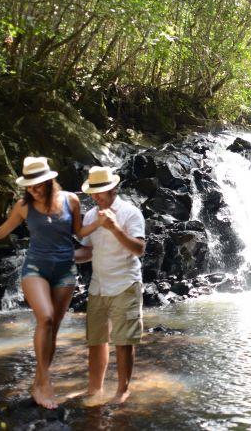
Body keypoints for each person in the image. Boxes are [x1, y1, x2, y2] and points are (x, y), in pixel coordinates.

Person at [0, 156, 93, 409]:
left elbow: (79, 232)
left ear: (49, 181)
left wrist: (105, 236)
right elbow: (1, 232)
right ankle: (44, 382)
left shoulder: (71, 200)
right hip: (35, 268)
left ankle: (38, 380)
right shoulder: (23, 206)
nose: (33, 189)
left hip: (65, 271)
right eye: (29, 185)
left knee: (53, 328)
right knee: (44, 318)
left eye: (38, 184)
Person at [75, 166, 146, 404]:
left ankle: (122, 390)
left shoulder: (130, 213)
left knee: (124, 341)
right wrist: (62, 256)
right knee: (96, 340)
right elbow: (87, 251)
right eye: (93, 193)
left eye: (101, 191)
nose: (96, 197)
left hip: (125, 283)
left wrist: (114, 227)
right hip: (98, 286)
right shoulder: (90, 216)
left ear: (114, 188)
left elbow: (139, 249)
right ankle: (95, 389)